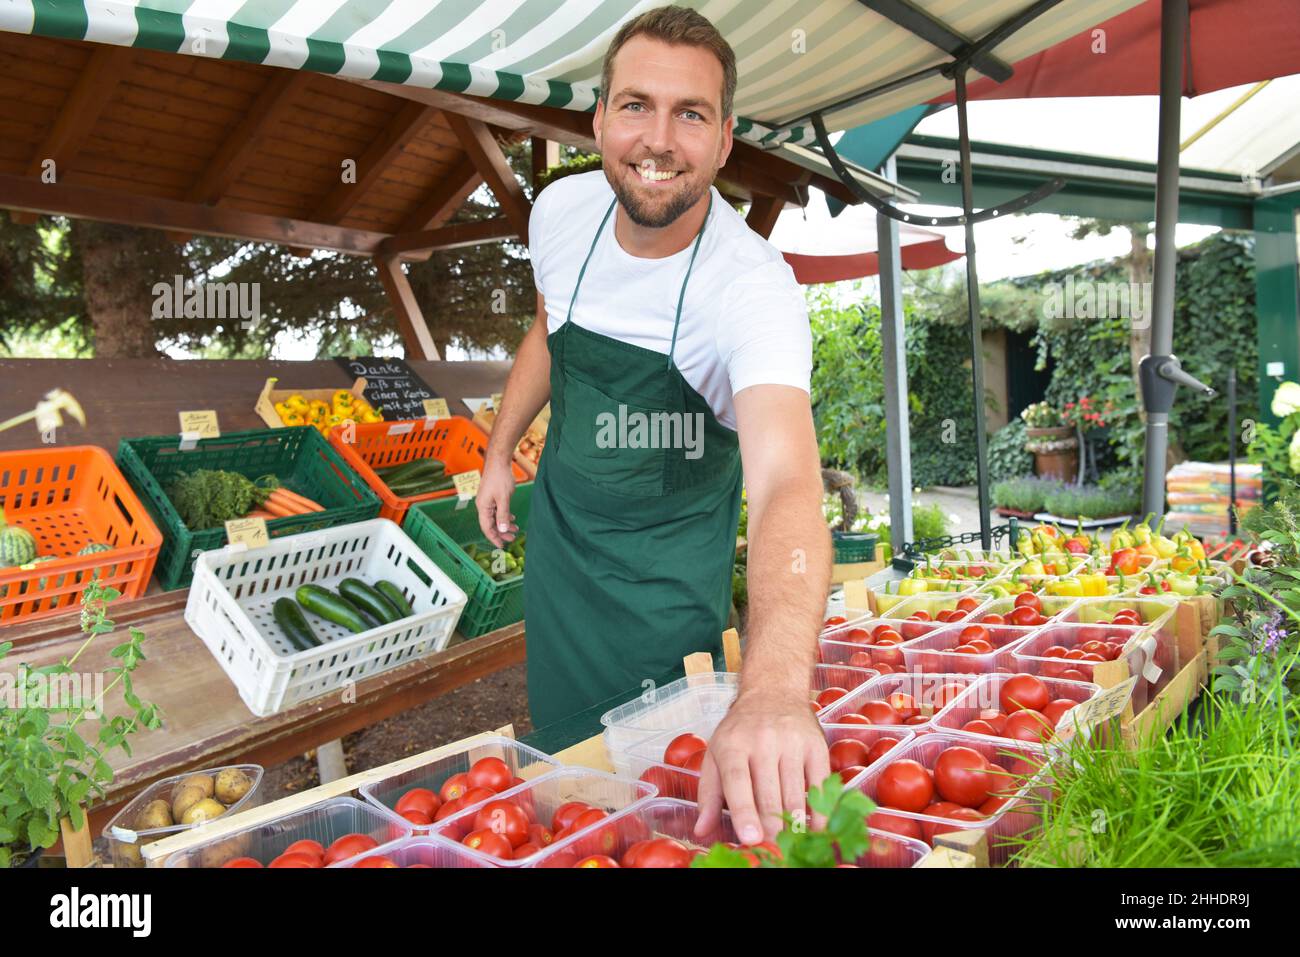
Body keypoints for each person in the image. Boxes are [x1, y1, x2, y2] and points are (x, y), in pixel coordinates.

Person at [478, 5, 831, 845]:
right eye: (635, 105)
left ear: (724, 136)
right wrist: (498, 449)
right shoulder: (561, 215)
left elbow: (787, 480)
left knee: (660, 821)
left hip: (665, 598)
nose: (658, 139)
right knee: (570, 784)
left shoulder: (751, 290)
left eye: (691, 113)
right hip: (562, 554)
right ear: (599, 118)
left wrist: (778, 689)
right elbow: (545, 327)